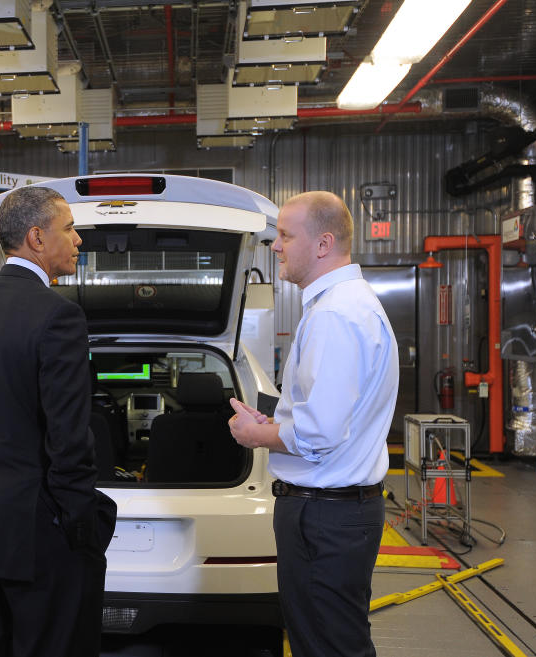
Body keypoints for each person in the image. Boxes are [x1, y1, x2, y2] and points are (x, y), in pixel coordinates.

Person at [0, 186, 116, 657]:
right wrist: (80, 523)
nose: (78, 239)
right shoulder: (59, 316)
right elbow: (69, 437)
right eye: (70, 229)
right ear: (37, 238)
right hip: (39, 532)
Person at [227, 191, 398, 657]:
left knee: (327, 645)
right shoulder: (341, 306)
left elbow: (320, 433)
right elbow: (324, 416)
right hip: (333, 512)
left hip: (325, 515)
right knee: (326, 640)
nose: (276, 246)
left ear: (323, 244)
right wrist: (275, 421)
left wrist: (255, 434)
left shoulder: (336, 316)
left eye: (285, 235)